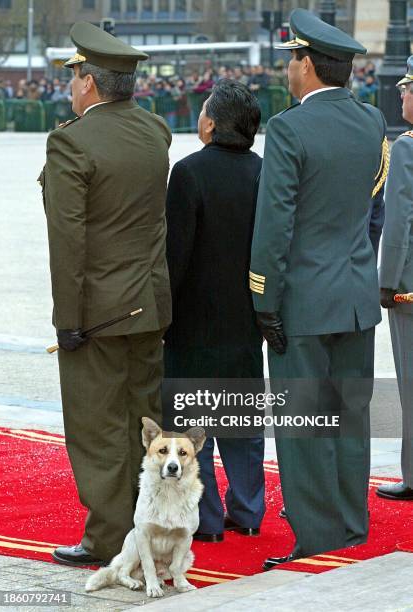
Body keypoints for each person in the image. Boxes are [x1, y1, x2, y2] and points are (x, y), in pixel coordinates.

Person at [250, 9, 388, 568]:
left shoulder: (288, 128)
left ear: (307, 65)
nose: (288, 69)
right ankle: (350, 527)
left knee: (304, 427)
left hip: (302, 303)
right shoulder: (373, 122)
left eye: (291, 59)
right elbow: (369, 210)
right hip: (355, 298)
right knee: (348, 423)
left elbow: (274, 224)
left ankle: (318, 538)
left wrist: (264, 299)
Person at [40, 22, 172, 566]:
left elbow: (69, 240)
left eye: (74, 75)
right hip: (150, 304)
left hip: (97, 312)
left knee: (97, 429)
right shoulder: (156, 131)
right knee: (144, 424)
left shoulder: (71, 140)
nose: (72, 85)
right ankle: (153, 533)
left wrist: (67, 320)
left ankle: (106, 539)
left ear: (89, 84)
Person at [165, 79, 265, 541]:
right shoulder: (263, 171)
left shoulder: (188, 172)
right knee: (242, 424)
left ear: (210, 122)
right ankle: (247, 513)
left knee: (193, 428)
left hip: (194, 322)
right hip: (246, 318)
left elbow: (175, 256)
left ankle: (206, 521)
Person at [376, 56, 413, 502]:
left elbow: (400, 221)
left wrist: (387, 281)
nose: (402, 94)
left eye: (407, 88)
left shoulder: (406, 147)